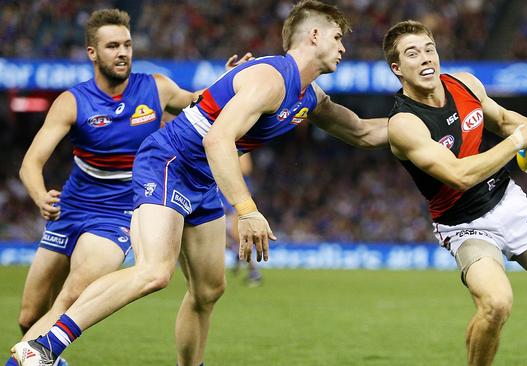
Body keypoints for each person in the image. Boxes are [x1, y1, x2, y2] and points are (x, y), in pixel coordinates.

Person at [11, 1, 388, 365]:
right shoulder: (270, 79)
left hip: (203, 178)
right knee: (154, 272)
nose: (343, 46)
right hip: (169, 162)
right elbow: (216, 139)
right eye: (338, 37)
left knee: (209, 290)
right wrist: (247, 210)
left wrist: (422, 125)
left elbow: (362, 132)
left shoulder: (309, 96)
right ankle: (44, 346)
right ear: (314, 36)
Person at [7, 9, 251, 366]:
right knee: (29, 316)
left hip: (120, 211)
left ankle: (26, 360)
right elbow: (31, 162)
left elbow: (198, 103)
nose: (123, 52)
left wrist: (228, 82)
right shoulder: (72, 102)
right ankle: (46, 358)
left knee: (71, 298)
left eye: (127, 44)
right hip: (70, 208)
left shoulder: (155, 87)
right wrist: (39, 194)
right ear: (92, 53)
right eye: (112, 46)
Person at [381, 20, 527, 366]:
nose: (425, 58)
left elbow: (503, 120)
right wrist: (520, 141)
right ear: (397, 68)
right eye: (412, 53)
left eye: (429, 49)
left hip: (510, 204)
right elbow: (459, 175)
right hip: (464, 226)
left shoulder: (464, 84)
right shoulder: (404, 124)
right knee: (496, 304)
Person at [225, 154, 263, 287]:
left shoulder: (238, 146)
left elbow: (246, 168)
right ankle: (237, 255)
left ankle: (254, 272)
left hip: (239, 195)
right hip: (224, 192)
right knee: (223, 237)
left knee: (237, 236)